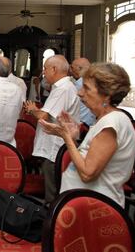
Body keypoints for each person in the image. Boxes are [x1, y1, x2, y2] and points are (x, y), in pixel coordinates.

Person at [39, 63, 135, 208]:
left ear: (106, 96)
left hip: (93, 209)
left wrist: (66, 137)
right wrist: (73, 137)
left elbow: (87, 174)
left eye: (87, 88)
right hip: (83, 205)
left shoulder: (112, 123)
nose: (80, 93)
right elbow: (90, 159)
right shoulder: (105, 120)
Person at [24, 55, 80, 203]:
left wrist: (32, 110)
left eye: (45, 69)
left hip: (55, 150)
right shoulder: (61, 88)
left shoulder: (63, 89)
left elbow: (43, 116)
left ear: (54, 69)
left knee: (53, 195)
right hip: (55, 147)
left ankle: (52, 223)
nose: (43, 72)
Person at [70, 57, 96, 126]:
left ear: (79, 68)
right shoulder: (92, 81)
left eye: (72, 68)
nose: (70, 70)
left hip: (82, 124)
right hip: (89, 122)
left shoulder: (80, 83)